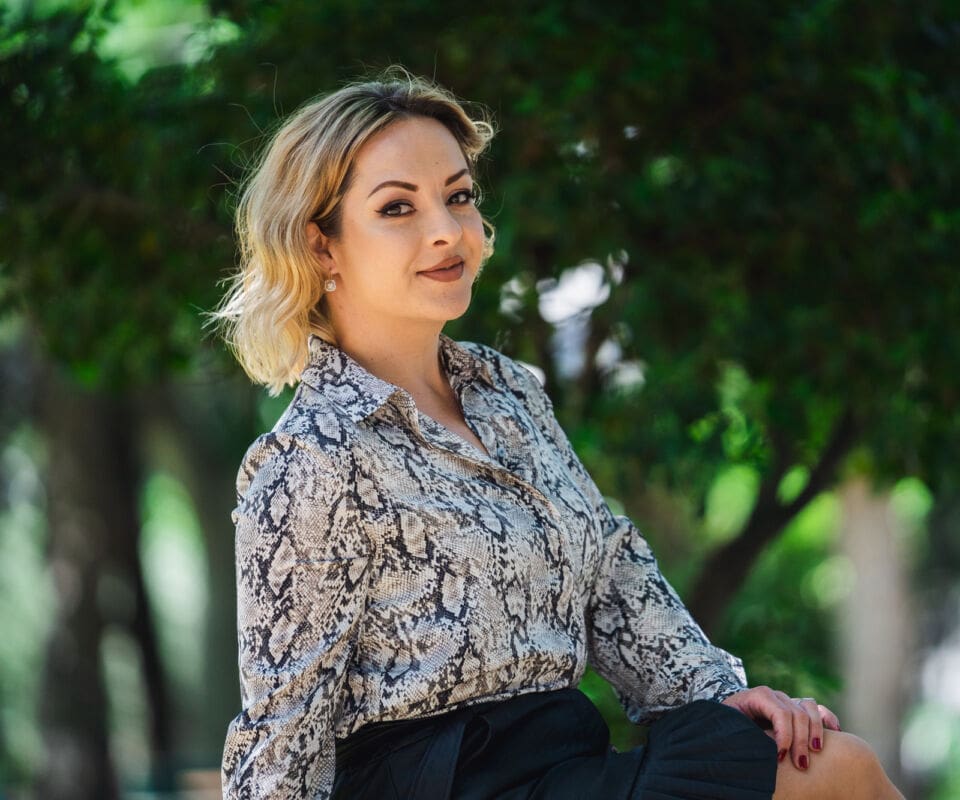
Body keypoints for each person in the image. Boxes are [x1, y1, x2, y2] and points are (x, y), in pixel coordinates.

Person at [212, 67, 903, 800]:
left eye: (458, 196)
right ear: (321, 247)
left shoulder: (508, 393)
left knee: (834, 765)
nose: (447, 230)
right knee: (838, 776)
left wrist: (715, 691)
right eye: (398, 207)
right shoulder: (309, 460)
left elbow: (609, 574)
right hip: (445, 786)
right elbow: (282, 733)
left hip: (560, 761)